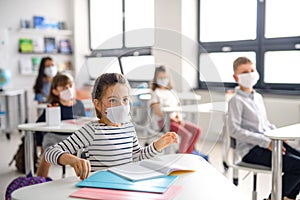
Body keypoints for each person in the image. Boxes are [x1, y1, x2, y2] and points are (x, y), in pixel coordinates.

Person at [44, 73, 178, 180]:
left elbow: (136, 156)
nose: (121, 105)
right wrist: (72, 160)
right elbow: (49, 153)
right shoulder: (92, 130)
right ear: (97, 104)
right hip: (102, 189)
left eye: (125, 99)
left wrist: (157, 146)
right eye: (113, 100)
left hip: (125, 186)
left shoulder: (128, 128)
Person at [228, 56, 300, 200]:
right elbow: (235, 130)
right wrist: (265, 142)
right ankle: (272, 199)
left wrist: (277, 135)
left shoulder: (258, 97)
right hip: (251, 150)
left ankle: (286, 198)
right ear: (236, 77)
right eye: (244, 72)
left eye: (252, 70)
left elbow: (265, 124)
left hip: (268, 144)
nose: (249, 74)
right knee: (298, 165)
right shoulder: (236, 101)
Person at [36, 73, 86, 177]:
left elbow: (83, 124)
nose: (68, 89)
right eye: (64, 87)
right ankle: (39, 181)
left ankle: (84, 180)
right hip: (53, 138)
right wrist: (41, 145)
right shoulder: (53, 106)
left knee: (86, 156)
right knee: (47, 154)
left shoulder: (79, 105)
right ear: (55, 91)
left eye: (70, 86)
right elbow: (38, 126)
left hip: (73, 139)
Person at [150, 65, 201, 154]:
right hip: (163, 122)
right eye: (160, 78)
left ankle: (187, 153)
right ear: (156, 78)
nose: (163, 80)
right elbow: (157, 111)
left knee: (197, 130)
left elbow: (177, 108)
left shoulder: (172, 92)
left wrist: (179, 118)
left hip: (175, 120)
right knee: (186, 135)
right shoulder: (155, 93)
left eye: (165, 77)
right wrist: (171, 119)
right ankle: (181, 157)